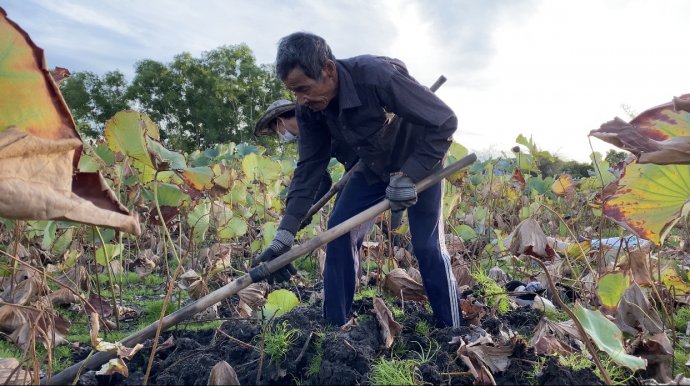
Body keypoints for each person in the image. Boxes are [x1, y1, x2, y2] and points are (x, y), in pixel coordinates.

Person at [256, 32, 462, 328]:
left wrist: (410, 175)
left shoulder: (377, 76)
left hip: (420, 159)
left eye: (303, 88)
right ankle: (335, 327)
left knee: (427, 245)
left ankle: (451, 329)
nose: (299, 100)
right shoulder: (308, 108)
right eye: (293, 92)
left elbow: (445, 121)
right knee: (338, 231)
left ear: (328, 70)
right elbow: (309, 168)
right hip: (372, 166)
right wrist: (285, 235)